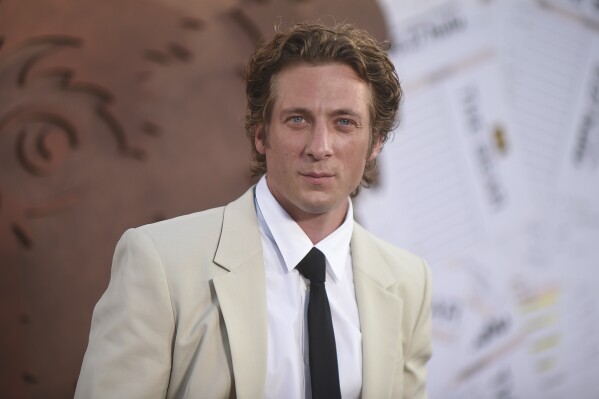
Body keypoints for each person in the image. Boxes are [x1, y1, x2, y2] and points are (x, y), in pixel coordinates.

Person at [75, 22, 432, 399]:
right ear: (260, 134)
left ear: (375, 143)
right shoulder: (159, 264)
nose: (320, 147)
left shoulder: (409, 282)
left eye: (344, 122)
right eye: (298, 119)